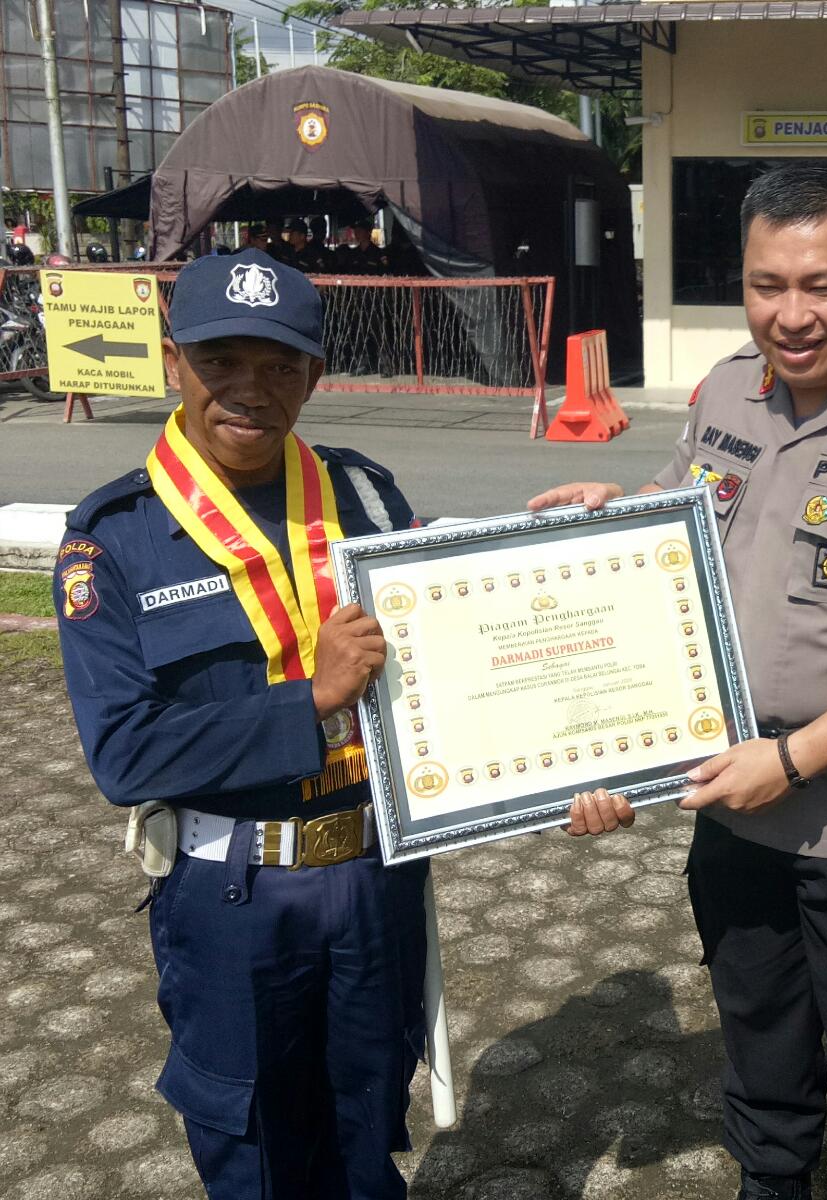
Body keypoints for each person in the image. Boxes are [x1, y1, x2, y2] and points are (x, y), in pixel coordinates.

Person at [530, 162, 827, 1200]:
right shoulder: (723, 391)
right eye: (764, 285)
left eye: (821, 286)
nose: (789, 316)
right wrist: (614, 510)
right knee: (758, 1054)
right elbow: (689, 507)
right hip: (733, 807)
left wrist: (789, 761)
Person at [56, 248, 430, 1200]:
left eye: (278, 364)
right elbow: (127, 752)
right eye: (221, 361)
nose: (249, 390)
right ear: (174, 360)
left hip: (372, 876)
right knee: (257, 1151)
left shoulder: (367, 495)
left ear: (313, 373)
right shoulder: (115, 537)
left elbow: (448, 671)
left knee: (366, 1129)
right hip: (233, 898)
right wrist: (310, 698)